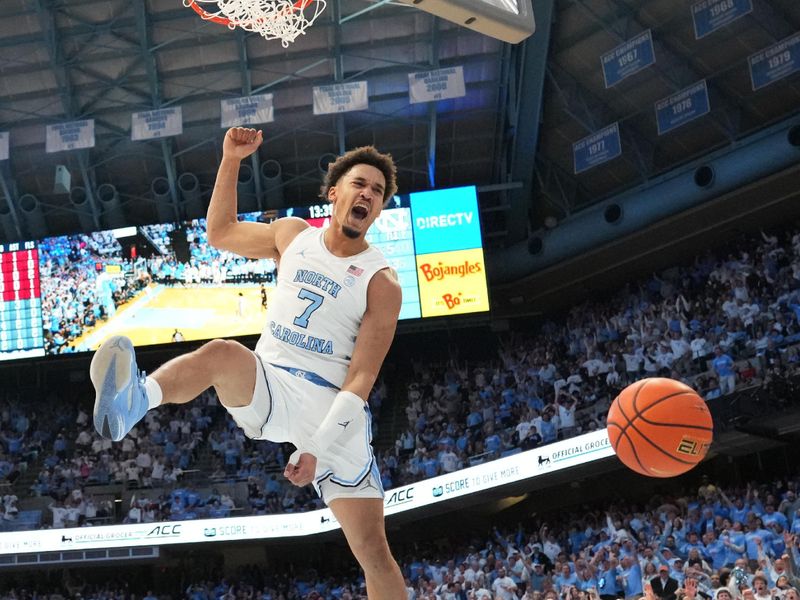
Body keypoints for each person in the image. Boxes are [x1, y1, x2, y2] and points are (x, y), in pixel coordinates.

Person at [89, 127, 405, 598]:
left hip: (330, 408)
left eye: (377, 192)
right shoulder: (292, 235)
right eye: (359, 184)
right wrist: (231, 159)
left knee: (374, 554)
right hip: (271, 383)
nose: (368, 194)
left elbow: (361, 378)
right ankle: (135, 400)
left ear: (378, 209)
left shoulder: (382, 282)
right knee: (222, 353)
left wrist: (316, 447)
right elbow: (220, 232)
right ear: (334, 193)